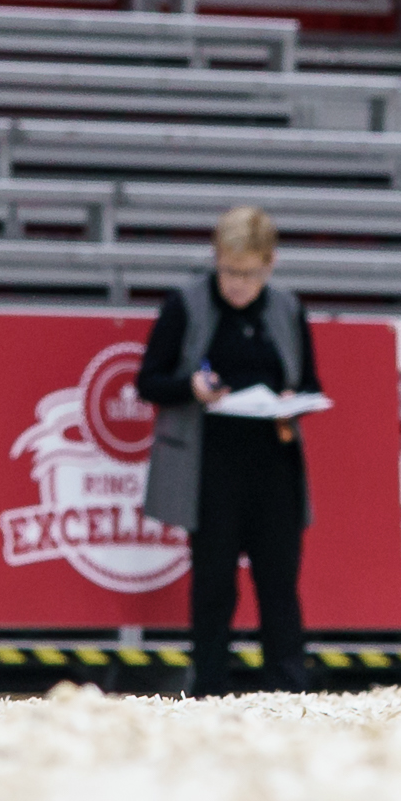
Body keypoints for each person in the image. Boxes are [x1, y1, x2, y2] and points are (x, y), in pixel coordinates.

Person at [137, 206, 320, 695]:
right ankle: (210, 686)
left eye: (250, 273)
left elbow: (310, 381)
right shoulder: (186, 304)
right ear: (216, 258)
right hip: (211, 465)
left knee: (279, 583)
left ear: (270, 264)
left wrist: (292, 399)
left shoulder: (287, 308)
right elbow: (148, 380)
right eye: (230, 271)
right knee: (214, 583)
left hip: (273, 462)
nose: (238, 284)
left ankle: (288, 687)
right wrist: (191, 388)